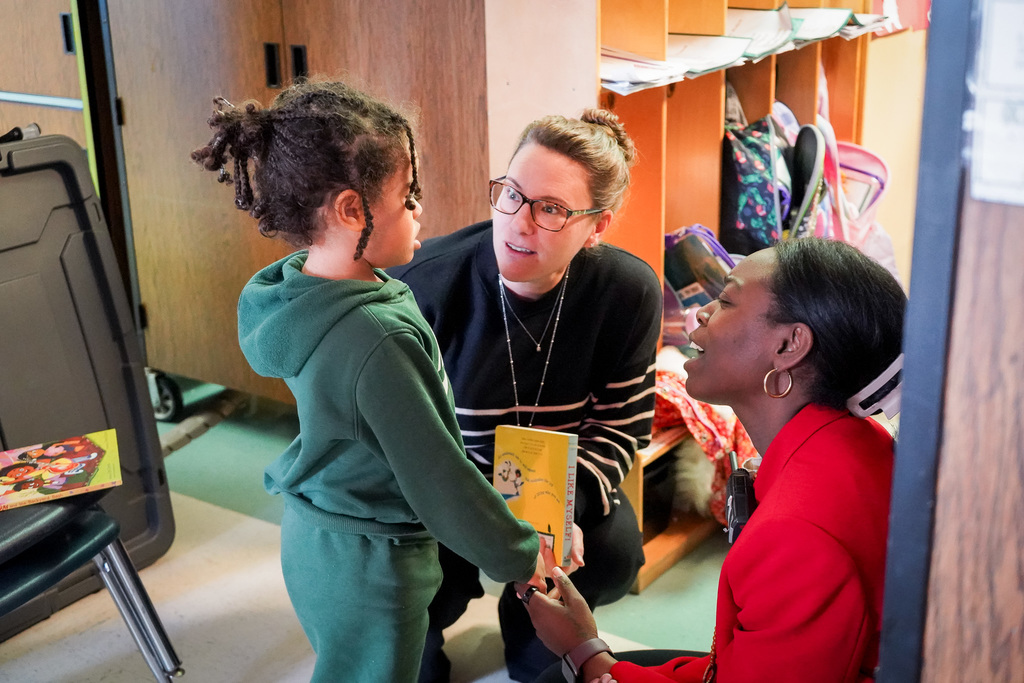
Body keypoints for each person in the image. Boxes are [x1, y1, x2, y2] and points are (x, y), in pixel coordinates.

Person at [191, 80, 550, 683]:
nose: (419, 210)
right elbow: (438, 477)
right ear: (351, 209)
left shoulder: (297, 292)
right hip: (371, 562)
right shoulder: (375, 338)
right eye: (407, 195)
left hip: (315, 538)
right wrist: (519, 553)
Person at [520, 237, 907, 683]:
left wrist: (585, 649)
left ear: (789, 346)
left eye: (724, 300)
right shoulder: (860, 437)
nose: (701, 313)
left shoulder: (794, 534)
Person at [389, 109, 663, 681]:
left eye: (553, 209)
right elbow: (400, 442)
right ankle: (423, 631)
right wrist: (483, 521)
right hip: (449, 494)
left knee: (612, 555)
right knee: (407, 588)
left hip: (553, 494)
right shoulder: (425, 284)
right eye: (511, 194)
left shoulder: (627, 292)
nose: (519, 222)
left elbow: (621, 425)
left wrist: (563, 516)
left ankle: (530, 624)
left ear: (598, 225)